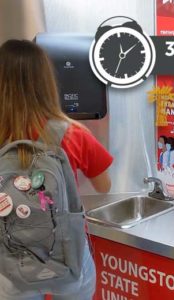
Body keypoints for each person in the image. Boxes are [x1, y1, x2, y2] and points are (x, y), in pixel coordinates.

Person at [0, 40, 113, 299]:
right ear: (46, 82)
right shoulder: (72, 133)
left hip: (8, 264)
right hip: (67, 255)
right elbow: (104, 187)